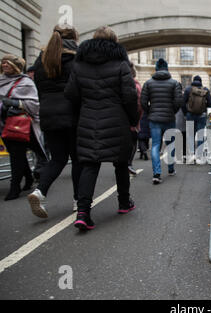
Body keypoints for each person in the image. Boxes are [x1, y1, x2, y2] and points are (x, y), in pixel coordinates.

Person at [65, 26, 138, 231]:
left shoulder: (79, 65)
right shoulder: (121, 64)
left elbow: (70, 93)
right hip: (117, 119)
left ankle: (83, 213)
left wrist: (84, 109)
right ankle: (124, 202)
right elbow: (130, 96)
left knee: (89, 164)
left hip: (88, 119)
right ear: (114, 41)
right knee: (121, 163)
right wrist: (133, 119)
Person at [26, 24, 82, 218]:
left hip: (48, 114)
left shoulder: (42, 59)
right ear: (75, 36)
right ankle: (78, 201)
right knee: (77, 159)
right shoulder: (77, 56)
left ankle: (39, 192)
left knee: (57, 159)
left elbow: (38, 88)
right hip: (73, 114)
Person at [0, 54, 47, 201]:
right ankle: (28, 178)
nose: (4, 65)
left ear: (15, 66)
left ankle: (14, 187)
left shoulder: (25, 82)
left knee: (16, 154)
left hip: (20, 124)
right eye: (3, 63)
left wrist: (15, 103)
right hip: (2, 124)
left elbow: (35, 106)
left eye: (7, 63)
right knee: (16, 153)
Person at [141, 58, 183, 184]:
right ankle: (170, 169)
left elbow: (143, 102)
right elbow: (178, 102)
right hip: (169, 118)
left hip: (154, 119)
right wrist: (172, 112)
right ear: (167, 68)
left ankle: (156, 174)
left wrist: (150, 112)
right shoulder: (174, 83)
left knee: (155, 145)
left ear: (156, 69)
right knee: (170, 144)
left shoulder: (148, 83)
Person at [182, 75, 211, 163]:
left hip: (190, 115)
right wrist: (204, 109)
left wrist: (186, 113)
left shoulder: (188, 89)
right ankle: (199, 156)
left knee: (191, 135)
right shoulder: (205, 90)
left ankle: (192, 155)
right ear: (201, 81)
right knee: (200, 135)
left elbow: (182, 103)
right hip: (202, 115)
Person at [128, 62, 143, 175]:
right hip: (131, 122)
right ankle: (128, 164)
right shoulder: (136, 85)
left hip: (116, 121)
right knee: (133, 143)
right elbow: (139, 104)